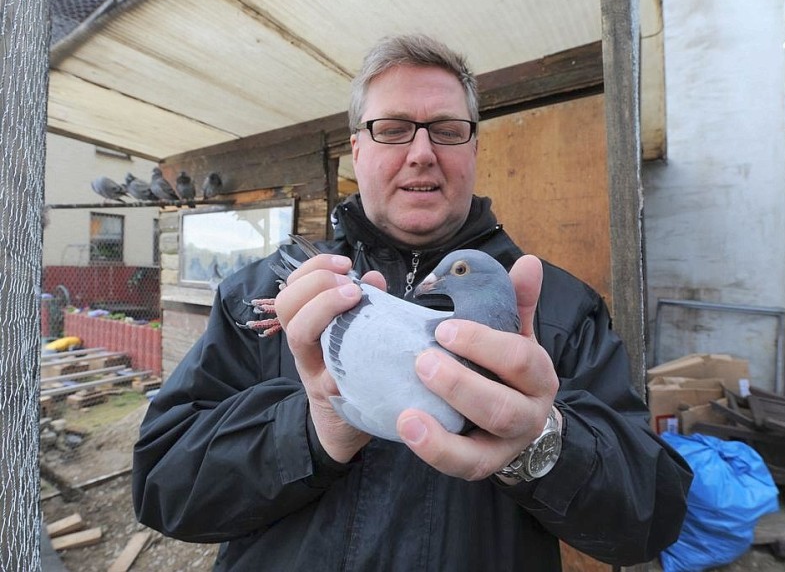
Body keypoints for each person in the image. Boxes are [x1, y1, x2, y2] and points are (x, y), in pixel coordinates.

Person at [132, 33, 692, 571]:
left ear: (473, 147)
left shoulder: (563, 311)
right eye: (393, 129)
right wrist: (313, 428)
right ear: (356, 148)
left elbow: (654, 518)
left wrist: (543, 443)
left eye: (447, 130)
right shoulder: (270, 298)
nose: (422, 153)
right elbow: (161, 485)